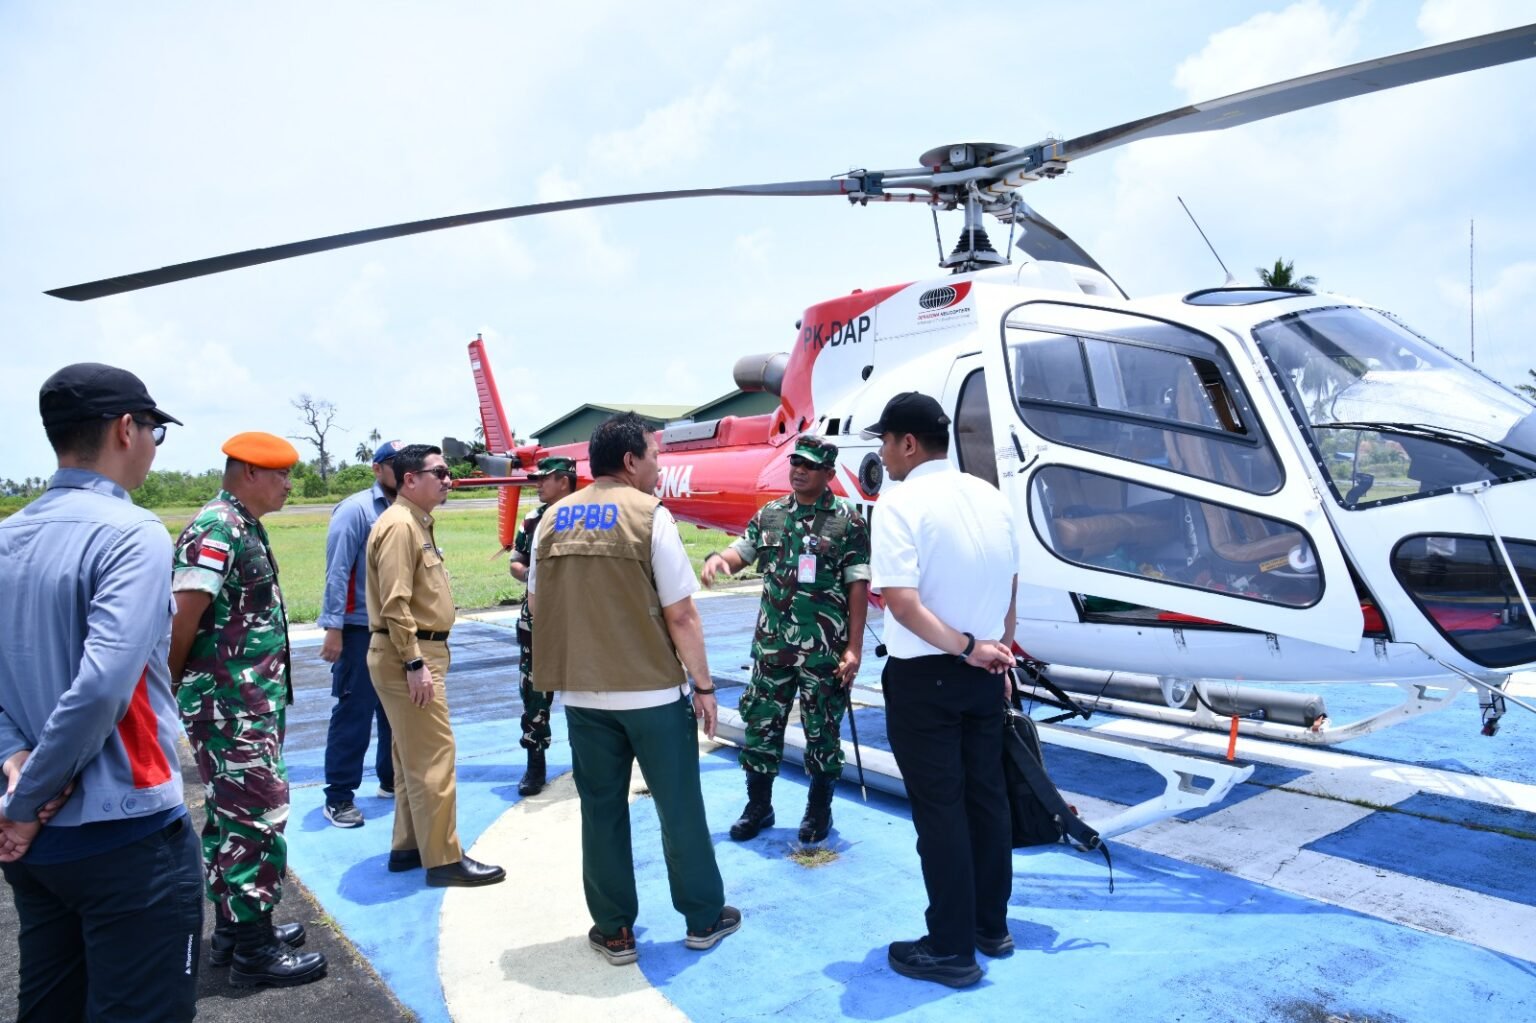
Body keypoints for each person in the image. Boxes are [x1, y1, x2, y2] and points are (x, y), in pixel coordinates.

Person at [0, 363, 203, 1021]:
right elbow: (101, 688)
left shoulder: (8, 536)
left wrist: (14, 766)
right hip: (126, 831)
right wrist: (29, 799)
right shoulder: (131, 533)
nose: (151, 445)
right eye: (153, 431)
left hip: (35, 847)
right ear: (125, 428)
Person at [529, 412, 739, 966]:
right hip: (649, 693)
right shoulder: (651, 517)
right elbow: (682, 615)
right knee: (680, 807)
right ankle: (702, 917)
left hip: (581, 694)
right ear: (630, 461)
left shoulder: (550, 519)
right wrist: (705, 685)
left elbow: (535, 603)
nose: (657, 464)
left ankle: (615, 930)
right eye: (653, 454)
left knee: (600, 810)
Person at [861, 391, 1019, 989]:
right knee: (987, 800)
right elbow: (1009, 586)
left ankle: (951, 948)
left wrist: (965, 646)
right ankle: (990, 925)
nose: (882, 453)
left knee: (941, 813)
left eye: (884, 441)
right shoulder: (989, 496)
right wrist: (997, 653)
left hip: (931, 675)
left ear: (906, 443)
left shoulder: (900, 504)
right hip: (985, 674)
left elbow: (901, 604)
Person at [170, 431, 327, 987]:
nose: (289, 483)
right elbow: (182, 618)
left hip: (246, 703)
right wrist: (173, 687)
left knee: (231, 819)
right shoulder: (217, 526)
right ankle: (254, 956)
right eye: (280, 474)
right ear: (249, 474)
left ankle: (239, 928)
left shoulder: (241, 523)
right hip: (229, 707)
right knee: (256, 816)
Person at [701, 435, 870, 844]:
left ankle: (818, 811)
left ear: (828, 473)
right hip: (773, 647)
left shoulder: (848, 520)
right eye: (795, 462)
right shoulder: (772, 514)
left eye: (809, 466)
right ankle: (759, 806)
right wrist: (720, 560)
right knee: (760, 725)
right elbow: (742, 551)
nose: (798, 470)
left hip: (823, 651)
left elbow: (858, 585)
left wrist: (854, 648)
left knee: (822, 731)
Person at [366, 444, 505, 888]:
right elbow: (395, 602)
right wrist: (413, 661)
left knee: (410, 758)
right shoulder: (400, 526)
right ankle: (444, 859)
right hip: (409, 653)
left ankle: (408, 846)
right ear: (410, 480)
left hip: (415, 651)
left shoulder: (413, 522)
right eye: (439, 473)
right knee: (435, 758)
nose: (448, 480)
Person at [319, 440, 402, 827]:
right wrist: (333, 628)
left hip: (396, 630)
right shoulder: (356, 511)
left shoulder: (407, 510)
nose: (402, 470)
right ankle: (338, 796)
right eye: (393, 464)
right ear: (377, 468)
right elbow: (337, 570)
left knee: (395, 712)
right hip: (358, 630)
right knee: (354, 713)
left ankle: (390, 780)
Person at [508, 455, 578, 797]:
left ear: (563, 481)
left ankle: (589, 760)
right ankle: (535, 763)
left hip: (578, 618)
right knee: (534, 693)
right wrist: (532, 575)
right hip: (537, 620)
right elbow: (516, 562)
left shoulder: (585, 516)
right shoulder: (533, 519)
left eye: (543, 479)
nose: (537, 484)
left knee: (586, 691)